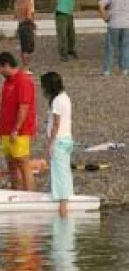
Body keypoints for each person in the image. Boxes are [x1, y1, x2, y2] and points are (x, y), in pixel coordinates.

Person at [0, 52, 37, 191]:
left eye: (0, 68)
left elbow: (24, 106)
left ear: (6, 65)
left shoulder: (23, 81)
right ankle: (16, 191)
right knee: (11, 163)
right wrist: (0, 128)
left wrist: (16, 128)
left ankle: (29, 194)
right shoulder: (7, 82)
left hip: (20, 131)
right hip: (6, 129)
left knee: (23, 163)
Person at [41, 72, 74, 217]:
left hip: (59, 140)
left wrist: (50, 144)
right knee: (64, 170)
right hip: (67, 139)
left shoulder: (57, 101)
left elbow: (56, 125)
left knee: (59, 172)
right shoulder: (65, 97)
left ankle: (63, 206)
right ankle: (65, 198)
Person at [99, 0, 129, 76]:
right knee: (125, 47)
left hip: (114, 23)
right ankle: (125, 69)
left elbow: (101, 4)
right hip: (127, 24)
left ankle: (107, 70)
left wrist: (105, 17)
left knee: (110, 47)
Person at [14, 0, 36, 71]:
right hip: (27, 26)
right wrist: (33, 24)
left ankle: (25, 65)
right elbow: (28, 16)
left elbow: (16, 15)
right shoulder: (28, 2)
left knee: (23, 47)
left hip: (20, 25)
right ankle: (26, 67)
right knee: (28, 48)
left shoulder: (17, 1)